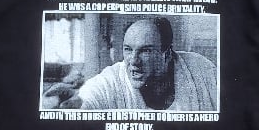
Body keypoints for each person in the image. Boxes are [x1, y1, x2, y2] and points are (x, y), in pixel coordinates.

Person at [77, 17, 217, 111]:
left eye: (145, 51)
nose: (133, 61)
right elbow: (88, 99)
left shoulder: (200, 69)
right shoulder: (111, 80)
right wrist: (75, 105)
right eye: (128, 49)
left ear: (167, 54)